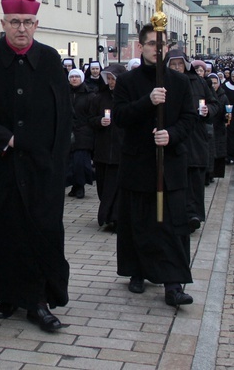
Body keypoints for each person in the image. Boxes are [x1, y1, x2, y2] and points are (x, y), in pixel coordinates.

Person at [0, 0, 71, 332]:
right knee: (3, 231)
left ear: (36, 24)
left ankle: (38, 301)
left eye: (27, 22)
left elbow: (62, 115)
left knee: (40, 231)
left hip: (41, 166)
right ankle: (7, 294)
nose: (21, 28)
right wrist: (6, 138)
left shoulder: (51, 60)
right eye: (14, 22)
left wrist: (53, 159)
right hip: (1, 164)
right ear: (3, 22)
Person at [113, 24, 197, 307]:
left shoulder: (180, 82)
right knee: (139, 221)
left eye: (161, 45)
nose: (156, 49)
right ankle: (137, 270)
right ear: (141, 46)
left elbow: (189, 119)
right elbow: (121, 117)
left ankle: (173, 284)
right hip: (138, 163)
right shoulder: (127, 81)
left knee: (172, 224)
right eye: (150, 44)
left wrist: (170, 134)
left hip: (169, 165)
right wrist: (147, 102)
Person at [166, 51, 217, 233]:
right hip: (173, 138)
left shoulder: (199, 82)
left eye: (180, 64)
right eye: (174, 65)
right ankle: (177, 215)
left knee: (195, 180)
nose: (177, 68)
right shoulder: (164, 83)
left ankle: (194, 215)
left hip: (196, 138)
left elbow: (214, 103)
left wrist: (207, 111)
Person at [89, 63, 126, 229]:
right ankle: (107, 215)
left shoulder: (126, 98)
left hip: (120, 150)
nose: (111, 82)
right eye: (109, 79)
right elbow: (90, 119)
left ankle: (115, 218)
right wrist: (99, 121)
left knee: (116, 188)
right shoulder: (100, 98)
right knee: (103, 186)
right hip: (103, 149)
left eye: (114, 79)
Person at [66, 68, 95, 198]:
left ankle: (80, 186)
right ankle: (74, 185)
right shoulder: (65, 93)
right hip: (68, 132)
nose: (74, 79)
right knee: (70, 162)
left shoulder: (90, 95)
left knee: (80, 162)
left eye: (77, 77)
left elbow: (92, 114)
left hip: (84, 132)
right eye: (72, 77)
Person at [207, 73, 229, 179]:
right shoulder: (206, 94)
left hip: (219, 127)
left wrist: (227, 115)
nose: (213, 85)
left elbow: (226, 112)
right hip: (209, 127)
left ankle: (216, 173)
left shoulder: (223, 96)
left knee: (219, 151)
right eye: (211, 83)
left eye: (215, 83)